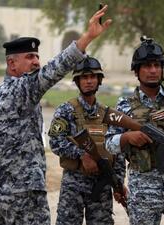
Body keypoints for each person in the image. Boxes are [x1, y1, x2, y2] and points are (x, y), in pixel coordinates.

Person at [0, 5, 112, 225]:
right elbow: (54, 70)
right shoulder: (22, 90)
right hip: (26, 197)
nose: (36, 62)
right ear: (12, 63)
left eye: (38, 57)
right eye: (30, 57)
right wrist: (87, 37)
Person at [105, 36, 164, 225]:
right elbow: (109, 143)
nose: (153, 70)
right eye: (147, 66)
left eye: (157, 65)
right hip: (143, 190)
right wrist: (127, 137)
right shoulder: (124, 106)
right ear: (136, 71)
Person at [48, 56, 126, 225]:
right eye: (84, 77)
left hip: (102, 185)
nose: (89, 81)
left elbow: (117, 151)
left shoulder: (108, 114)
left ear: (99, 81)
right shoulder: (67, 110)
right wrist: (82, 155)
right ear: (77, 81)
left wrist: (118, 183)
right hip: (73, 185)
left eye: (93, 77)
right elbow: (55, 141)